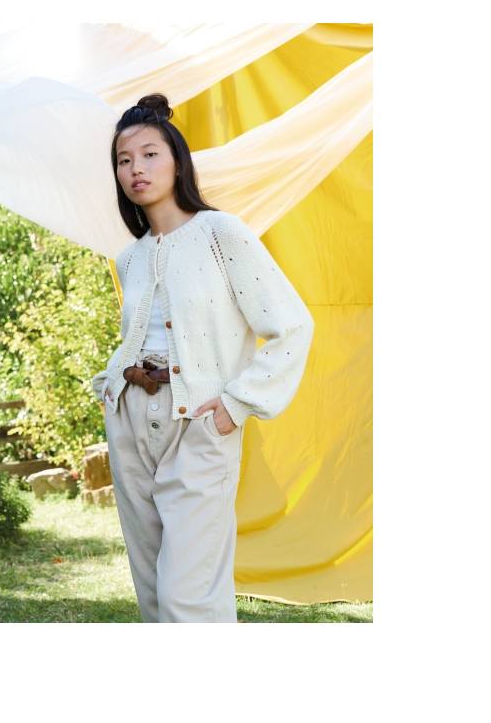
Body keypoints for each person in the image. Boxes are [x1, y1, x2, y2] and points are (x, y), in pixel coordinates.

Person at [91, 93, 314, 622]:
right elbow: (143, 334)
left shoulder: (220, 234)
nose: (136, 169)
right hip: (130, 421)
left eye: (150, 155)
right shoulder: (129, 258)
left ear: (177, 162)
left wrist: (237, 404)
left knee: (187, 595)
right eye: (124, 160)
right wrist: (110, 384)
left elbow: (291, 326)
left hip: (198, 423)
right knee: (152, 591)